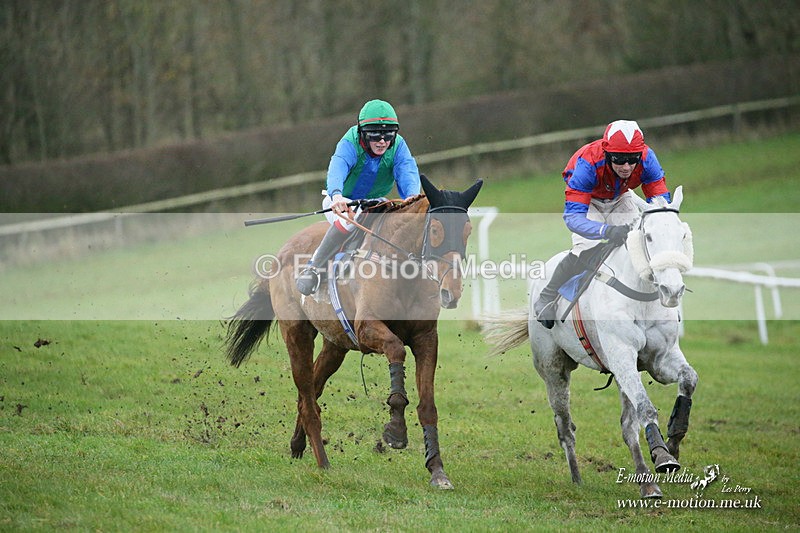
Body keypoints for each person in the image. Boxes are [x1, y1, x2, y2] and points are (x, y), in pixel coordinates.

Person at [534, 119, 671, 328]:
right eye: (619, 159)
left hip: (622, 197)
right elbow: (573, 218)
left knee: (641, 243)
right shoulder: (587, 163)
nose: (626, 167)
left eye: (632, 159)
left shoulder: (647, 158)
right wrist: (606, 230)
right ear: (607, 154)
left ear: (640, 154)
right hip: (589, 201)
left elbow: (661, 205)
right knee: (587, 248)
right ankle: (547, 296)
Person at [295, 99, 421, 296]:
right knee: (350, 220)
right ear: (362, 132)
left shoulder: (398, 146)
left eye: (388, 134)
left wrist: (412, 197)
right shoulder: (349, 143)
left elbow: (407, 171)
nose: (382, 141)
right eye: (375, 134)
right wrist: (336, 195)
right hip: (342, 201)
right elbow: (338, 167)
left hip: (376, 201)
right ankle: (313, 268)